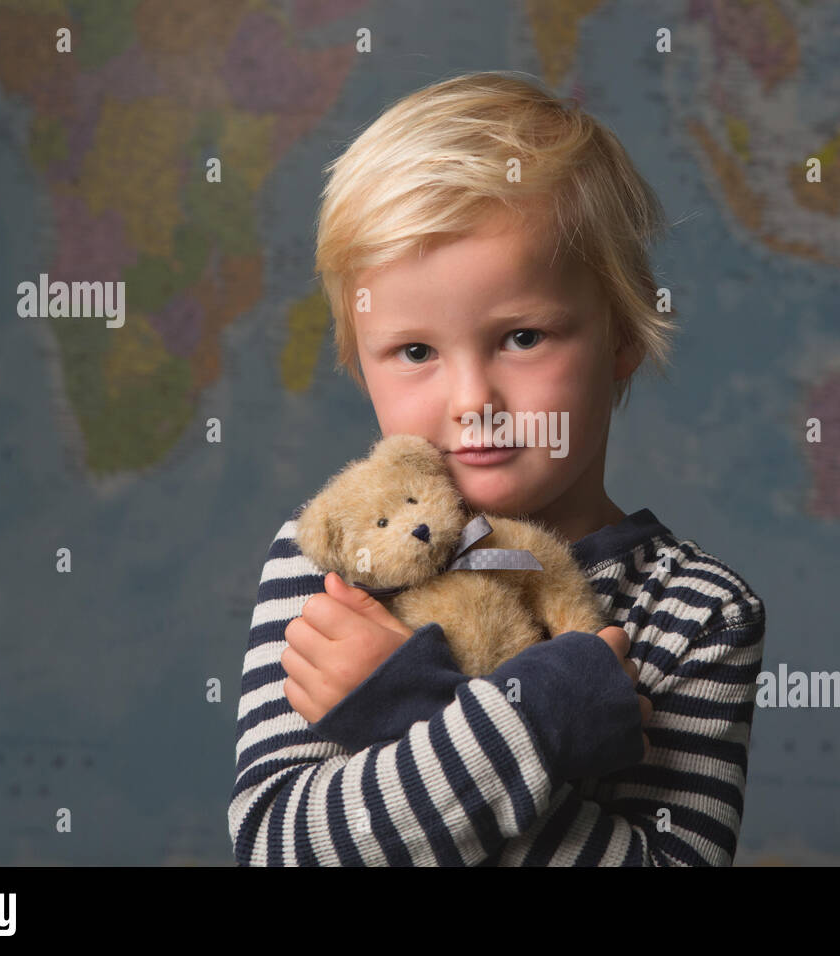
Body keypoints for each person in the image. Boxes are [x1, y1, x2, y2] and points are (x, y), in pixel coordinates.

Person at [228, 71, 766, 865]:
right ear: (359, 364)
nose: (472, 400)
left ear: (621, 335)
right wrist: (532, 723)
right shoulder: (334, 556)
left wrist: (409, 703)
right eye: (416, 351)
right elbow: (281, 846)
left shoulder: (698, 612)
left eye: (522, 338)